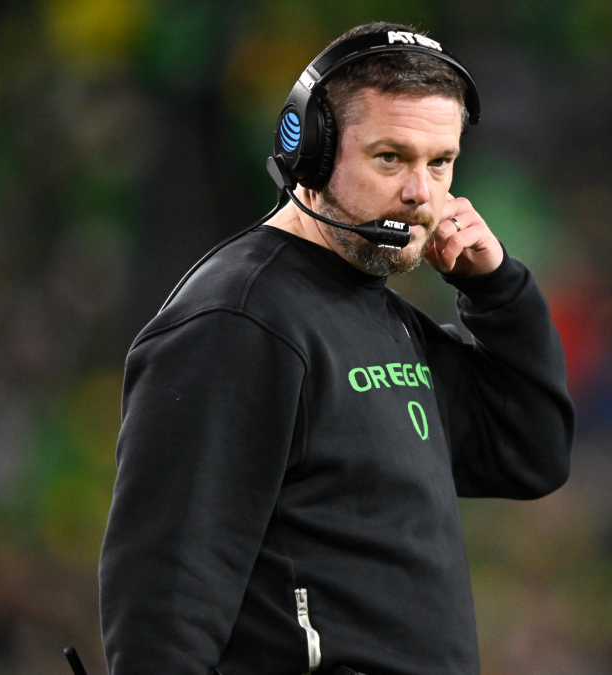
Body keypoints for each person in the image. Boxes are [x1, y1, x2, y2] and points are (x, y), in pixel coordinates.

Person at [99, 21, 575, 675]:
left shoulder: (376, 311)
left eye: (440, 163)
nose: (420, 194)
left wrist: (497, 291)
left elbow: (530, 451)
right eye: (391, 157)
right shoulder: (237, 322)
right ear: (310, 152)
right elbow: (165, 608)